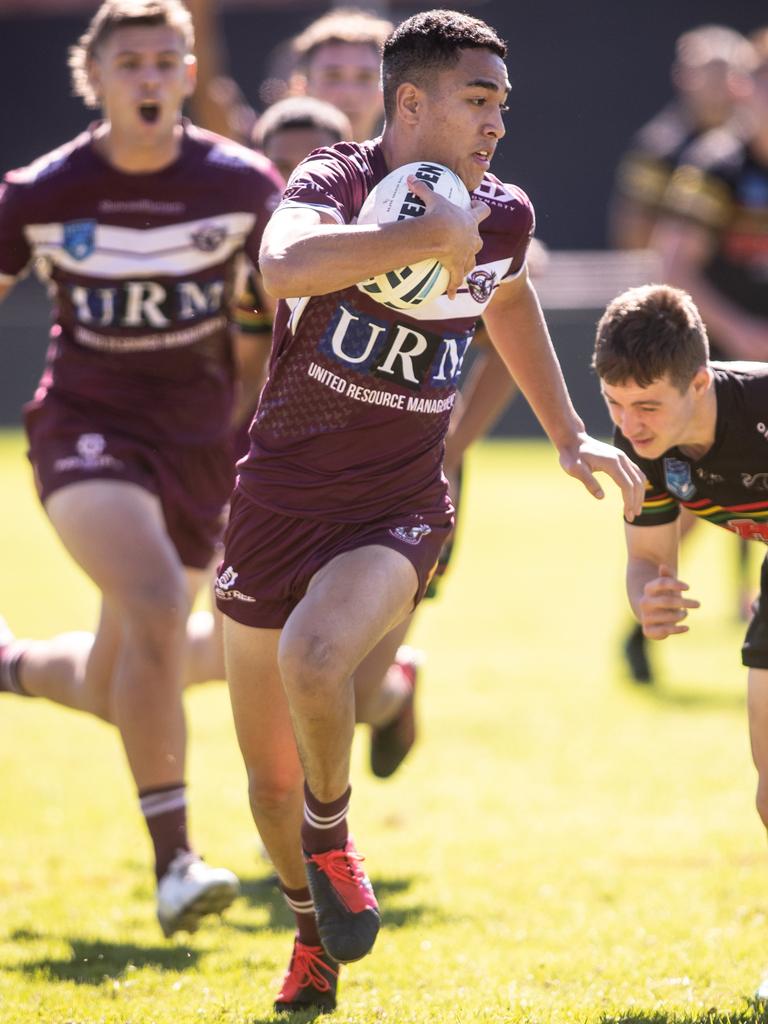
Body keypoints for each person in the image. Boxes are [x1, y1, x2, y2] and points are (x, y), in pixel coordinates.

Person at [217, 8, 645, 1012]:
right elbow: (283, 269)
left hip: (399, 504)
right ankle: (310, 928)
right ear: (409, 102)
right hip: (275, 498)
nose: (497, 124)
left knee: (317, 658)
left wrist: (568, 430)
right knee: (268, 782)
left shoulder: (502, 212)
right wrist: (414, 236)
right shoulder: (331, 178)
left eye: (503, 104)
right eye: (477, 101)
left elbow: (506, 298)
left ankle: (335, 836)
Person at [0, 0, 283, 937]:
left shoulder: (244, 186)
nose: (152, 78)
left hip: (197, 445)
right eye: (132, 63)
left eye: (169, 61)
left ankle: (6, 665)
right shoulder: (40, 193)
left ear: (192, 73)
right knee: (163, 606)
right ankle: (176, 866)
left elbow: (275, 320)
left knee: (125, 671)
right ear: (97, 78)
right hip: (84, 430)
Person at [591, 282, 768, 995]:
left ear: (698, 382)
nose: (629, 425)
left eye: (647, 405)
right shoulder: (641, 446)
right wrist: (649, 602)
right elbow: (646, 560)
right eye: (614, 404)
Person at [609, 24, 757, 683]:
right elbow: (673, 263)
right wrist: (743, 334)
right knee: (695, 495)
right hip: (719, 363)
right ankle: (644, 616)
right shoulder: (717, 166)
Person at [288, 7, 393, 143]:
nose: (349, 93)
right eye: (333, 77)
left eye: (365, 77)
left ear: (389, 89)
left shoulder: (417, 162)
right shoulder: (268, 163)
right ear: (302, 86)